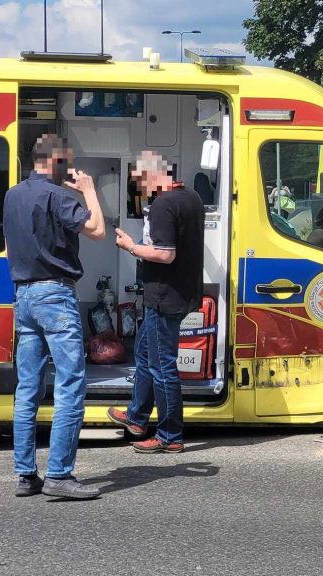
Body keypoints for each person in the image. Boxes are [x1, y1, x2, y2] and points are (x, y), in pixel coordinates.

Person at [4, 134, 105, 499]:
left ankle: (26, 475)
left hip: (23, 296)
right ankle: (60, 474)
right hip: (54, 295)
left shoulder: (12, 195)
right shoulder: (59, 196)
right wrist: (89, 190)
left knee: (28, 388)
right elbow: (97, 230)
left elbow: (7, 249)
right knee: (69, 384)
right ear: (56, 159)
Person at [107, 151, 205, 453]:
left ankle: (169, 436)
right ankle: (137, 417)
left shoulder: (163, 205)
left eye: (140, 182)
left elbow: (165, 253)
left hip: (164, 296)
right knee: (146, 354)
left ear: (152, 177)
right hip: (177, 292)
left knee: (163, 367)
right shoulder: (191, 197)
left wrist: (130, 246)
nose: (140, 188)